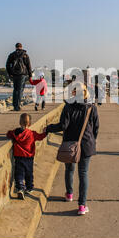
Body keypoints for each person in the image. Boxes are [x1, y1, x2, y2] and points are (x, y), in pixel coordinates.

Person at [46, 83, 99, 215]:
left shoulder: (68, 107)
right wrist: (92, 139)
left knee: (69, 169)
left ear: (74, 93)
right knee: (83, 173)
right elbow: (96, 128)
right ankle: (82, 206)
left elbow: (63, 126)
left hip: (70, 144)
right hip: (86, 144)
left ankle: (69, 194)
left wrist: (49, 128)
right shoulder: (91, 108)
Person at [6, 113, 46, 200]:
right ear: (30, 123)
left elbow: (9, 134)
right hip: (29, 158)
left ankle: (20, 188)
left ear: (19, 122)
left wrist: (10, 133)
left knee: (19, 173)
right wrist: (46, 132)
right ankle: (29, 187)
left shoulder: (15, 132)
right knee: (29, 173)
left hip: (19, 157)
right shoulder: (32, 134)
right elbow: (41, 136)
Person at [6, 43, 32, 111]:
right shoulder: (25, 55)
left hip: (14, 74)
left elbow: (7, 65)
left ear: (15, 47)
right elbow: (28, 66)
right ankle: (18, 106)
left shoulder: (12, 55)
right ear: (21, 47)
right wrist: (30, 75)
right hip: (22, 74)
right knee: (20, 90)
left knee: (15, 90)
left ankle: (15, 105)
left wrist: (10, 73)